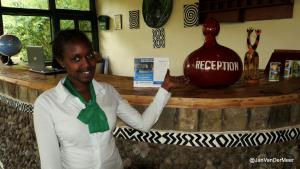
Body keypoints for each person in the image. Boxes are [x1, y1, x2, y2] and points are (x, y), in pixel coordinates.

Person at [33, 29, 189, 169]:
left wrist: (165, 88)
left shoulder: (108, 91)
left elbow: (143, 124)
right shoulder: (47, 104)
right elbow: (50, 163)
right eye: (76, 59)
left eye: (89, 55)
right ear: (61, 61)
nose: (87, 64)